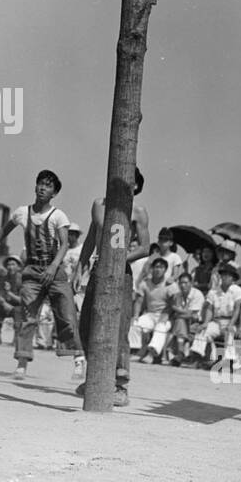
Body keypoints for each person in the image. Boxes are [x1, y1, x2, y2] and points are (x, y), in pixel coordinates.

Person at [0, 169, 82, 380]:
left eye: (47, 186)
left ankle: (78, 359)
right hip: (32, 270)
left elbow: (65, 244)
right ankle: (21, 363)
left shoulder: (58, 215)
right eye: (40, 183)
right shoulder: (22, 212)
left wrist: (53, 266)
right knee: (28, 316)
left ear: (54, 193)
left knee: (66, 314)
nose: (42, 188)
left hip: (55, 270)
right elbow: (3, 231)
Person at [76, 166, 150, 405]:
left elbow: (145, 247)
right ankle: (96, 376)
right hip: (98, 269)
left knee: (119, 327)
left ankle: (120, 386)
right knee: (86, 323)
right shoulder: (99, 204)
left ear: (136, 186)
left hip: (122, 272)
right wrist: (80, 265)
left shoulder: (138, 211)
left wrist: (118, 260)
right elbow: (91, 237)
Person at [190, 261, 241, 368]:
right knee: (203, 330)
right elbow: (210, 308)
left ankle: (229, 361)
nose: (225, 277)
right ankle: (197, 357)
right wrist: (206, 322)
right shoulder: (214, 291)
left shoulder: (237, 291)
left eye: (228, 275)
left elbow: (237, 309)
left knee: (229, 332)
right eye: (223, 275)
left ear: (232, 278)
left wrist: (231, 324)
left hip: (231, 321)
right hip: (216, 321)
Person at [129, 256, 174, 363]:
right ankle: (136, 352)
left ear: (165, 270)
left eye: (161, 267)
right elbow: (139, 301)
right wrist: (135, 316)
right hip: (150, 314)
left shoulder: (171, 285)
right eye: (156, 267)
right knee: (135, 324)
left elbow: (174, 304)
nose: (158, 269)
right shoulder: (145, 283)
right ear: (152, 269)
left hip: (166, 316)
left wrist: (166, 315)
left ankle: (151, 354)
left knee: (160, 328)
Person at [166, 269, 205, 366]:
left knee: (179, 321)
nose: (183, 285)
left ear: (191, 283)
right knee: (179, 322)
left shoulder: (197, 294)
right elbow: (184, 314)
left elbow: (192, 315)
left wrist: (177, 309)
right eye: (181, 283)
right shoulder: (178, 295)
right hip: (182, 323)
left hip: (196, 323)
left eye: (185, 283)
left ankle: (180, 353)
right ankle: (180, 352)